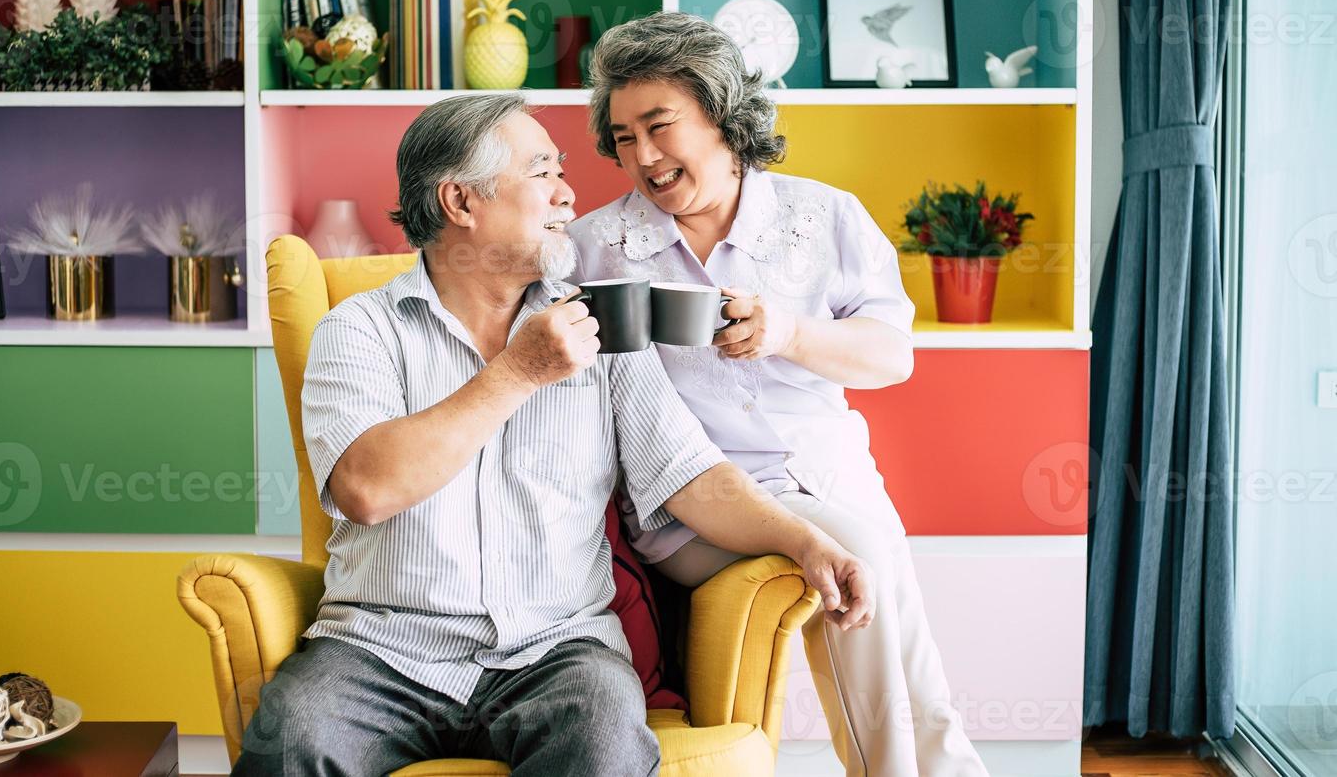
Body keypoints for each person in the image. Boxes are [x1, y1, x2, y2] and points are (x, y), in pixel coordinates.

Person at [232, 93, 877, 777]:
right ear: (459, 202)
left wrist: (803, 539)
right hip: (379, 651)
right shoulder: (359, 329)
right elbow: (366, 487)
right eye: (542, 172)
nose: (569, 194)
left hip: (558, 652)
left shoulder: (605, 325)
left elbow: (692, 477)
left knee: (603, 740)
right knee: (292, 738)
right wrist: (518, 372)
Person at [570, 12, 990, 777]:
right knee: (858, 551)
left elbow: (890, 357)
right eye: (624, 136)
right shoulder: (593, 249)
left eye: (659, 125)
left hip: (832, 479)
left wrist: (788, 333)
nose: (642, 156)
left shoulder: (823, 215)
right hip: (692, 510)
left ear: (722, 112)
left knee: (889, 599)